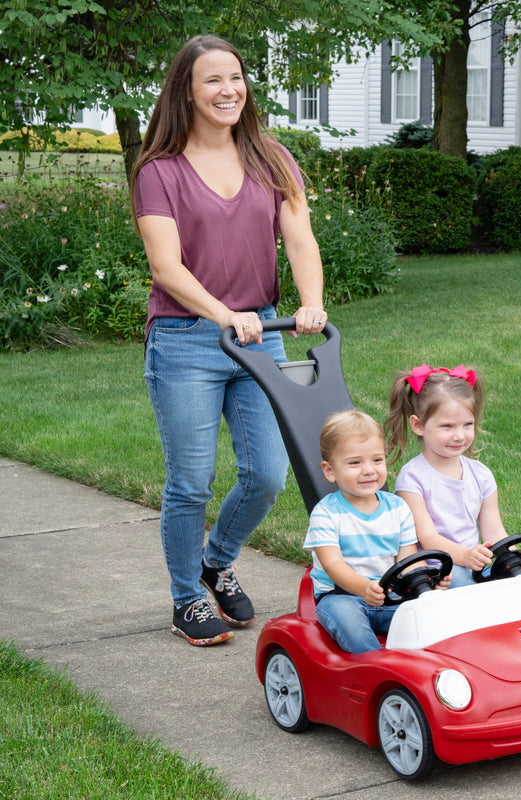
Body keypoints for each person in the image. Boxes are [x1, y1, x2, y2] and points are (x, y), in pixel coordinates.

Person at [130, 34, 327, 646]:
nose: (228, 90)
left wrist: (311, 302)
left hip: (261, 337)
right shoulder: (158, 172)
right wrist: (223, 314)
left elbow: (299, 239)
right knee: (191, 481)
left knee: (268, 474)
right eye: (212, 80)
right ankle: (187, 598)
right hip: (186, 341)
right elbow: (166, 267)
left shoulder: (272, 157)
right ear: (185, 92)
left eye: (235, 78)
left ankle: (216, 562)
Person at [386, 364, 521, 589]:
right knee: (459, 580)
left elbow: (494, 531)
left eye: (467, 424)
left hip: (476, 562)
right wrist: (465, 556)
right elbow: (427, 538)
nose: (459, 435)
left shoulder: (480, 474)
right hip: (439, 571)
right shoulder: (413, 479)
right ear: (418, 425)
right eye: (447, 426)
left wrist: (516, 558)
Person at [303, 410, 451, 654]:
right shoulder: (326, 513)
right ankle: (374, 664)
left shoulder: (397, 507)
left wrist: (426, 583)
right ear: (330, 471)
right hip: (343, 596)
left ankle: (429, 666)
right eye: (354, 463)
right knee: (347, 619)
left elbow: (406, 558)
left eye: (376, 460)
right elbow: (333, 566)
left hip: (392, 597)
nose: (369, 470)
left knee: (434, 617)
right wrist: (363, 588)